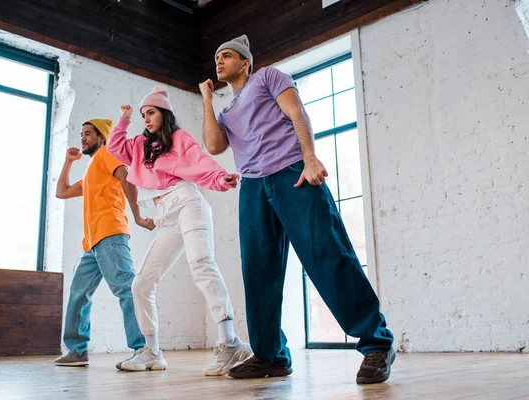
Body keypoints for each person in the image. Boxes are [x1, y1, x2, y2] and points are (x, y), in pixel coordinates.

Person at [198, 35, 395, 384]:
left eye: (227, 55)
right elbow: (214, 145)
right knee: (258, 271)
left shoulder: (268, 77)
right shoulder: (226, 111)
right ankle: (270, 355)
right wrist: (207, 100)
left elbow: (296, 112)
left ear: (246, 62)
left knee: (327, 254)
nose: (220, 61)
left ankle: (376, 343)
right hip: (254, 186)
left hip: (293, 172)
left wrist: (310, 157)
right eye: (217, 57)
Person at [107, 87, 252, 375]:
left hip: (187, 203)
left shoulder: (179, 138)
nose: (147, 119)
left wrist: (221, 178)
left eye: (152, 113)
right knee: (141, 284)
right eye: (144, 114)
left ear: (164, 113)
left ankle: (230, 341)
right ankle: (152, 352)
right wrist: (123, 120)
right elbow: (114, 147)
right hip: (165, 216)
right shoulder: (139, 144)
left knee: (201, 264)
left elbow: (200, 162)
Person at [54, 118, 153, 369]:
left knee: (126, 289)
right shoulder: (91, 172)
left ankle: (144, 348)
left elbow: (126, 177)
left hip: (109, 234)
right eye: (81, 133)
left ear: (102, 139)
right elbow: (62, 192)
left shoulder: (107, 154)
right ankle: (76, 351)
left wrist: (137, 214)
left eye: (88, 134)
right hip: (93, 243)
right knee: (78, 294)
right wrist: (68, 162)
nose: (83, 138)